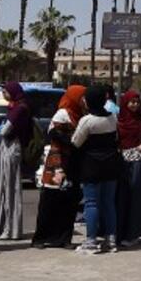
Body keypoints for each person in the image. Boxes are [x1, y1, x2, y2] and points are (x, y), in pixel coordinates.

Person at [32, 85, 86, 249]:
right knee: (50, 201)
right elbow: (52, 133)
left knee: (69, 201)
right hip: (58, 162)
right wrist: (71, 140)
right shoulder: (63, 113)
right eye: (82, 97)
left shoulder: (81, 114)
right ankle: (41, 238)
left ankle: (63, 238)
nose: (84, 100)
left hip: (73, 163)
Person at [72, 84, 122, 254]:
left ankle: (91, 240)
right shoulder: (113, 118)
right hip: (111, 165)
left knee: (91, 203)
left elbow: (76, 142)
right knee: (109, 203)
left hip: (92, 165)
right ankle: (111, 239)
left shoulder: (87, 120)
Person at [0, 81, 31, 241]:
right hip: (10, 148)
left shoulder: (19, 109)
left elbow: (5, 130)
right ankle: (3, 227)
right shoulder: (16, 107)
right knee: (6, 188)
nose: (3, 94)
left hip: (12, 148)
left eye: (5, 92)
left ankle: (10, 229)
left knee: (10, 189)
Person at [115, 89, 141, 247]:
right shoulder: (118, 120)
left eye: (137, 102)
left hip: (137, 162)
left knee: (135, 198)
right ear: (125, 102)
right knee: (120, 198)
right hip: (121, 163)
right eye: (132, 102)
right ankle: (118, 233)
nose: (135, 105)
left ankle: (133, 234)